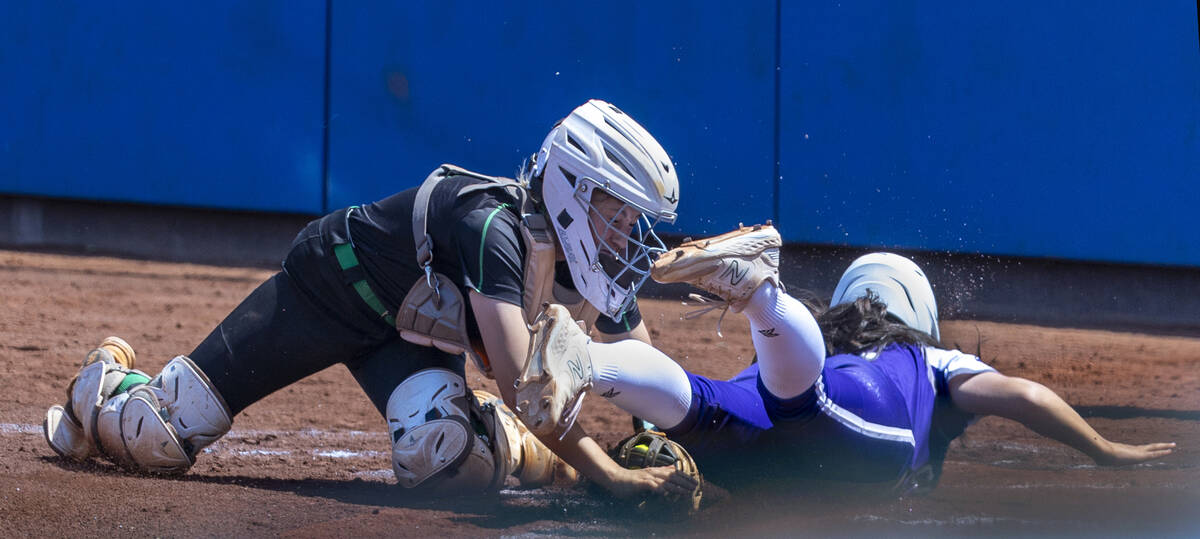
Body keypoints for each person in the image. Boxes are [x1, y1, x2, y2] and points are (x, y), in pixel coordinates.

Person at [42, 99, 691, 497]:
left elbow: (641, 366)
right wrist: (612, 477)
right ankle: (105, 386)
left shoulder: (588, 257)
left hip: (411, 333)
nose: (628, 231)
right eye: (617, 211)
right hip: (331, 287)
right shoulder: (495, 228)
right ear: (574, 191)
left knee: (445, 460)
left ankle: (505, 448)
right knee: (156, 438)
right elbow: (529, 390)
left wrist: (657, 438)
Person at [515, 223, 1176, 492]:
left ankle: (592, 361)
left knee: (702, 405)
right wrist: (1106, 450)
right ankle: (761, 292)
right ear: (916, 312)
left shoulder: (827, 341)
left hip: (766, 411)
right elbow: (1023, 396)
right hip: (856, 410)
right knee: (810, 402)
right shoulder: (929, 359)